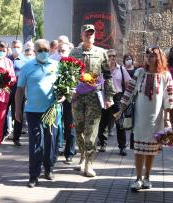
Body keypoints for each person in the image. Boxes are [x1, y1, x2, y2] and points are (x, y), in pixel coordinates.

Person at [115, 46, 173, 191]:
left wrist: (167, 118)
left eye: (152, 55)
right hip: (140, 117)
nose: (149, 57)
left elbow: (169, 97)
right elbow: (129, 91)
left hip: (157, 118)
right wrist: (120, 110)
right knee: (139, 149)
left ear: (159, 57)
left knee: (152, 150)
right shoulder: (140, 72)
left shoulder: (165, 75)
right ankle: (138, 179)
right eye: (147, 55)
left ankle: (147, 178)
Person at [15, 39, 61, 188]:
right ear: (34, 52)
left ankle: (48, 169)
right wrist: (17, 110)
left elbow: (64, 86)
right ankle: (33, 175)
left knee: (50, 142)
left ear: (50, 50)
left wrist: (64, 96)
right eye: (40, 50)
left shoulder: (56, 65)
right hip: (33, 111)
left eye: (46, 49)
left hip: (52, 110)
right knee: (36, 143)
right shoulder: (27, 67)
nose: (43, 52)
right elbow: (20, 90)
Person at [70, 24, 115, 177]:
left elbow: (108, 76)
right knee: (79, 129)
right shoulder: (74, 52)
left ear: (95, 35)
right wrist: (67, 90)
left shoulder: (102, 53)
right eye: (86, 33)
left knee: (92, 130)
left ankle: (89, 163)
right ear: (81, 35)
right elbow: (67, 72)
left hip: (93, 96)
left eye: (91, 33)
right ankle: (82, 155)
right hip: (77, 97)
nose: (89, 35)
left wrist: (109, 96)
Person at [97, 49, 131, 156]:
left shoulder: (121, 69)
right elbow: (97, 83)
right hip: (105, 97)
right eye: (109, 56)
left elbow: (128, 83)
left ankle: (122, 147)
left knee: (119, 123)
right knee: (103, 122)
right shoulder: (101, 70)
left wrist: (125, 98)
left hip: (117, 98)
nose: (112, 58)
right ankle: (103, 143)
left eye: (114, 56)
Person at [3, 40, 26, 146]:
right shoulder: (6, 59)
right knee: (3, 112)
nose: (15, 48)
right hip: (7, 90)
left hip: (19, 90)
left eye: (17, 47)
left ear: (21, 48)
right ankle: (3, 133)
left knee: (18, 113)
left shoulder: (25, 61)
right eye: (13, 47)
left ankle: (16, 137)